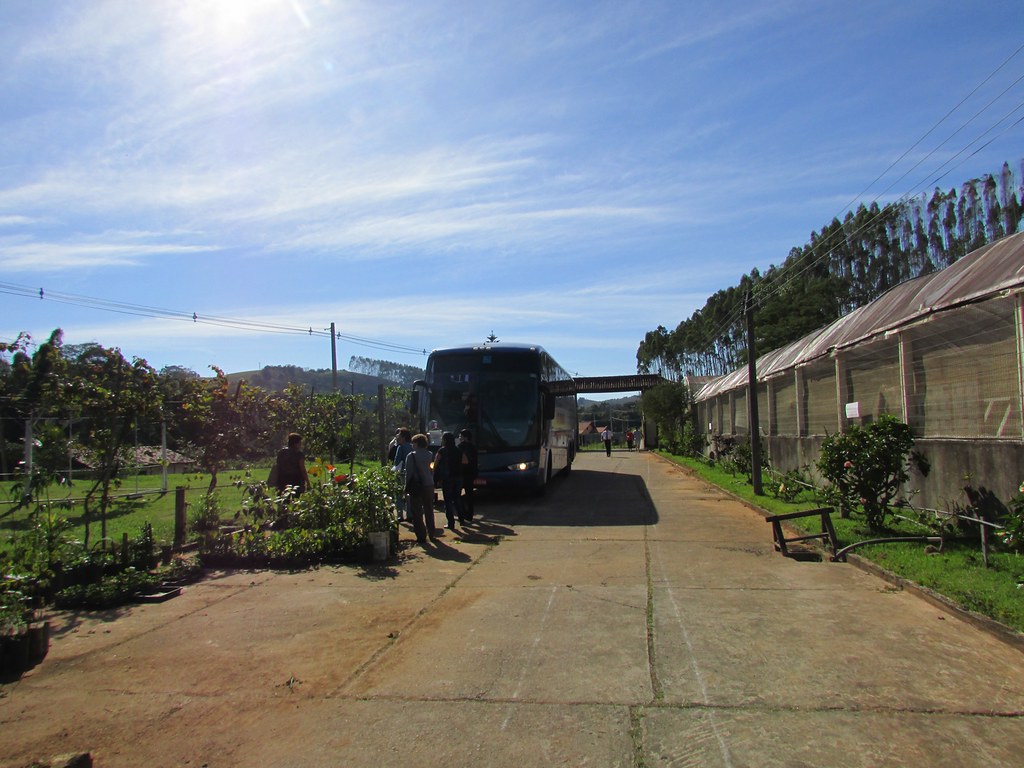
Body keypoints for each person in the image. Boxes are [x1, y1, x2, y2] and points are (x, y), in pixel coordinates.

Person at [405, 433, 437, 544]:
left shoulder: (411, 456)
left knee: (417, 511)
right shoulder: (430, 454)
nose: (412, 445)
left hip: (416, 486)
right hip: (429, 484)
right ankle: (431, 533)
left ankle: (421, 535)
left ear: (417, 444)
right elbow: (432, 468)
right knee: (429, 509)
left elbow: (408, 473)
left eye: (413, 443)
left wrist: (406, 487)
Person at [433, 431, 465, 529]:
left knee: (448, 501)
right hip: (458, 476)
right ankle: (462, 519)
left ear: (445, 440)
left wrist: (435, 475)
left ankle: (451, 523)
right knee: (457, 498)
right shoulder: (458, 450)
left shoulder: (442, 450)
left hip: (447, 478)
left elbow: (435, 463)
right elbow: (465, 461)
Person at [391, 428, 413, 521]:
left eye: (399, 435)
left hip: (401, 473)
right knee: (409, 494)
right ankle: (409, 514)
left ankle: (400, 515)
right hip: (411, 473)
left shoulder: (400, 447)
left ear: (403, 437)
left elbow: (396, 461)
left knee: (399, 494)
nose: (397, 437)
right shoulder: (412, 446)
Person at [458, 429, 478, 523]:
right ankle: (470, 514)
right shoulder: (473, 447)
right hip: (471, 473)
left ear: (465, 437)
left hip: (461, 473)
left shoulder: (460, 447)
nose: (459, 438)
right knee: (469, 495)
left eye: (460, 436)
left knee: (457, 495)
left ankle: (463, 513)